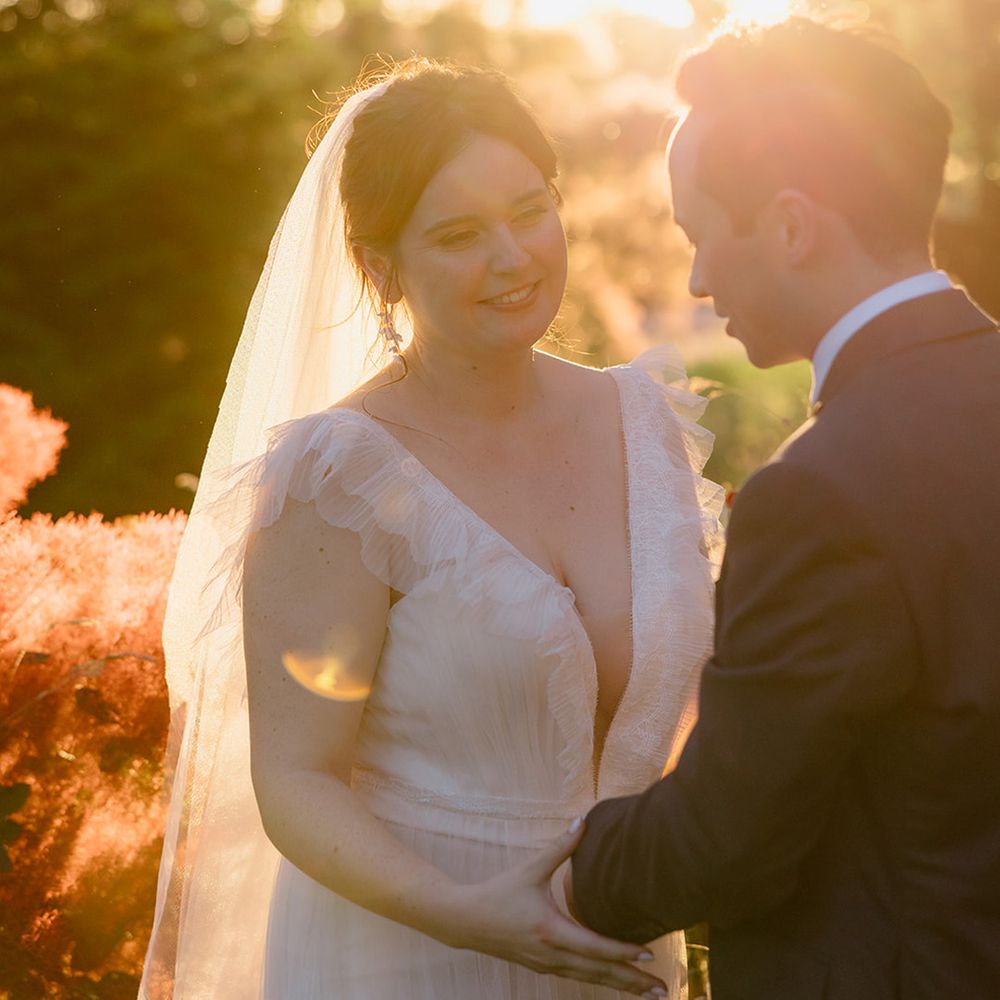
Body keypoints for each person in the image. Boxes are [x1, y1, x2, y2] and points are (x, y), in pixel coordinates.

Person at [139, 57, 722, 1000]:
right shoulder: (339, 476)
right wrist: (470, 914)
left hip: (614, 943)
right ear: (378, 265)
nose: (514, 256)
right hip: (407, 950)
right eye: (457, 235)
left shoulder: (642, 422)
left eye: (531, 211)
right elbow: (296, 779)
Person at [567, 16, 1000, 1000]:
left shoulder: (822, 492)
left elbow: (723, 843)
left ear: (792, 226)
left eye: (698, 234)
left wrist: (550, 857)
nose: (696, 278)